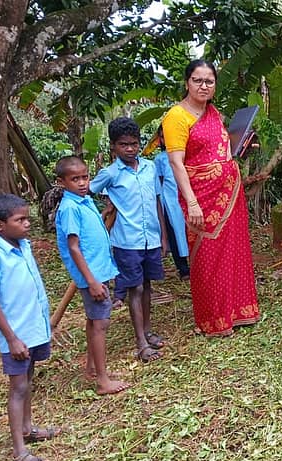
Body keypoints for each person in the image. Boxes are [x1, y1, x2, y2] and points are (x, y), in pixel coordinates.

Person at [161, 59, 260, 336]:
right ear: (187, 83)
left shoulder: (214, 113)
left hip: (229, 196)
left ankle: (238, 311)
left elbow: (223, 151)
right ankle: (213, 319)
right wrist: (192, 202)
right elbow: (176, 163)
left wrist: (245, 147)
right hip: (201, 198)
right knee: (207, 258)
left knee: (233, 252)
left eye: (209, 81)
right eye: (198, 80)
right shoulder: (176, 116)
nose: (203, 86)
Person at [0, 194, 59, 461]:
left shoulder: (23, 246)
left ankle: (27, 427)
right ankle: (20, 452)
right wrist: (11, 339)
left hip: (32, 329)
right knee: (18, 387)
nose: (27, 224)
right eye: (20, 220)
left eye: (27, 218)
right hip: (16, 335)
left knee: (28, 378)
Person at [90, 117, 168, 362]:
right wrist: (105, 209)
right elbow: (88, 191)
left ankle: (147, 329)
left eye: (134, 144)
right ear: (113, 146)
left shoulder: (149, 168)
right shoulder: (110, 174)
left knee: (147, 285)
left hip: (151, 238)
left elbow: (157, 201)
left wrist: (163, 236)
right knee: (135, 288)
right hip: (126, 241)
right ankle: (141, 342)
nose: (130, 149)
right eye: (124, 145)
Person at [54, 156, 130, 394]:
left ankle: (92, 369)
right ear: (61, 182)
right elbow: (74, 247)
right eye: (74, 179)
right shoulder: (69, 208)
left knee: (93, 320)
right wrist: (91, 281)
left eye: (85, 177)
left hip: (97, 272)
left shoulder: (84, 201)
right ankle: (103, 381)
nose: (81, 183)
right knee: (100, 324)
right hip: (92, 276)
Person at [154, 127, 190, 280]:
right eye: (163, 136)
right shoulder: (160, 159)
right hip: (171, 202)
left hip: (189, 199)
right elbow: (160, 182)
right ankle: (183, 269)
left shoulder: (187, 154)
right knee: (175, 234)